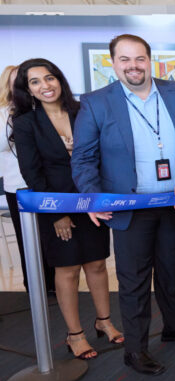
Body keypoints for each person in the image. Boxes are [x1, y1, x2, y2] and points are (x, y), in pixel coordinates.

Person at [71, 34, 175, 376]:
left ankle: (174, 326)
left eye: (140, 58)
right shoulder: (96, 102)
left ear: (150, 59)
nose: (133, 66)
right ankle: (136, 350)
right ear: (113, 63)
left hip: (174, 202)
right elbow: (84, 158)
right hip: (129, 206)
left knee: (170, 271)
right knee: (133, 281)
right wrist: (93, 196)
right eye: (125, 60)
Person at [13, 58, 124, 360]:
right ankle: (75, 335)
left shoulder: (81, 111)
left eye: (49, 78)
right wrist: (56, 213)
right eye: (35, 82)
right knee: (68, 269)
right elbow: (32, 171)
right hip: (56, 205)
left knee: (98, 264)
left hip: (91, 200)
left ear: (59, 79)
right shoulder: (24, 124)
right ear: (28, 90)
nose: (44, 86)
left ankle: (104, 321)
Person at [0, 65, 57, 294]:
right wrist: (18, 125)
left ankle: (54, 285)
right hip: (19, 187)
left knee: (51, 237)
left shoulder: (41, 108)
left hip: (45, 182)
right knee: (27, 241)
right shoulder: (4, 112)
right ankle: (34, 286)